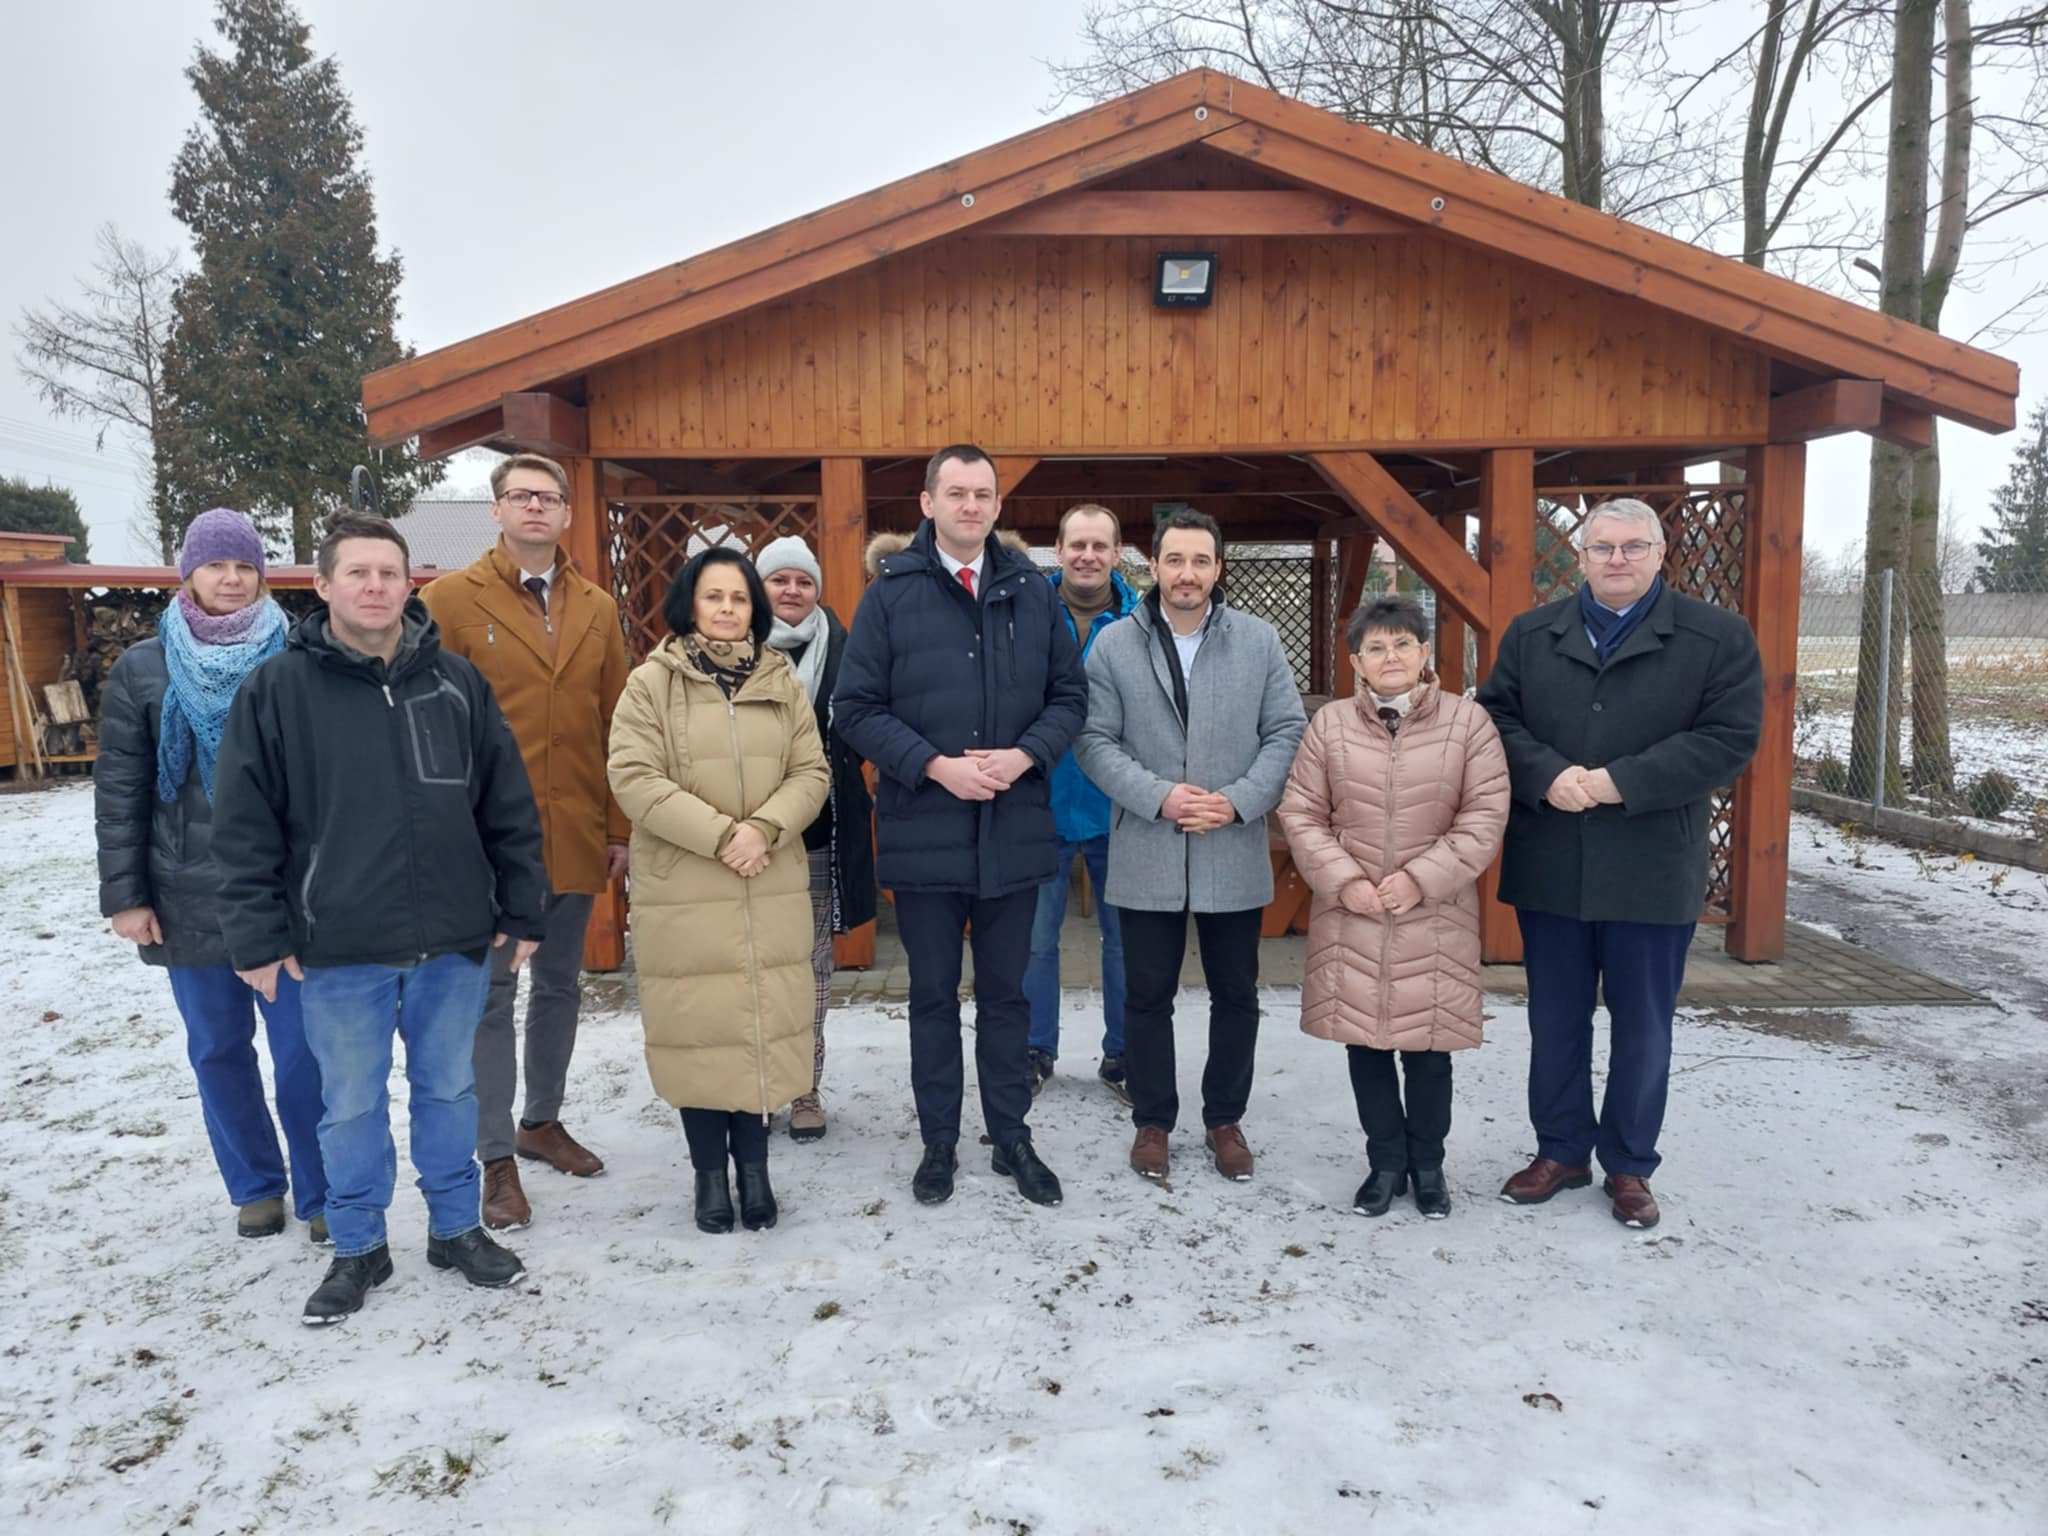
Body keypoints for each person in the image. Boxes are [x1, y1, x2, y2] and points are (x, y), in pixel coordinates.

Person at [212, 513, 548, 1324]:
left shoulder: (456, 683)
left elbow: (507, 803)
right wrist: (256, 936)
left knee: (450, 1092)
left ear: (409, 584)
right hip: (338, 946)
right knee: (352, 1105)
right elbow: (243, 825)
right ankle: (359, 1244)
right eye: (357, 573)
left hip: (453, 940)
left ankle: (456, 1229)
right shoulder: (276, 691)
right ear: (322, 585)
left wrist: (523, 904)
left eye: (388, 573)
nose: (374, 587)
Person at [1476, 498, 1762, 1230]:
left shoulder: (1717, 637)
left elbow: (1728, 737)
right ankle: (1561, 1151)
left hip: (1652, 865)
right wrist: (1548, 774)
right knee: (1556, 1020)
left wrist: (1619, 782)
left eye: (1633, 547)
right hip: (1553, 861)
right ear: (1580, 557)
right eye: (1602, 547)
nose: (1617, 560)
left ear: (1660, 554)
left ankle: (1630, 1164)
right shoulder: (1532, 634)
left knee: (1643, 1027)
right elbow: (1495, 719)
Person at [832, 444, 1086, 1209]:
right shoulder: (890, 595)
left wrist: (1024, 755)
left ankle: (1011, 1136)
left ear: (998, 505)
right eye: (956, 493)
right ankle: (938, 1142)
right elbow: (854, 709)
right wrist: (934, 766)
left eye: (982, 494)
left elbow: (1069, 697)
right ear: (927, 502)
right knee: (934, 998)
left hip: (1014, 831)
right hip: (926, 832)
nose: (970, 505)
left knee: (1007, 997)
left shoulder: (1032, 593)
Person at [94, 508, 329, 1244]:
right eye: (216, 565)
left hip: (284, 893)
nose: (231, 579)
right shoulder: (143, 668)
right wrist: (126, 896)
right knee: (217, 1049)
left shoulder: (298, 655)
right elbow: (121, 791)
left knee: (305, 1053)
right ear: (187, 573)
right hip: (184, 893)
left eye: (245, 566)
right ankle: (256, 1186)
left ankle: (323, 1190)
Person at [422, 452, 631, 1230]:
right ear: (497, 510)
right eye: (520, 496)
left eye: (548, 497)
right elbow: (429, 725)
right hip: (485, 841)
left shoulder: (598, 608)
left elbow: (617, 722)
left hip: (574, 830)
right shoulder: (449, 601)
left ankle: (541, 1121)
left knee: (559, 985)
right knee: (491, 996)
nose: (535, 508)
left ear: (567, 513)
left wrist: (618, 826)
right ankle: (495, 1156)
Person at [1073, 507, 1305, 1184]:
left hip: (1231, 843)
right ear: (1152, 565)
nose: (1187, 573)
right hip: (1147, 842)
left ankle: (1224, 1118)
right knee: (1147, 994)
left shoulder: (1258, 642)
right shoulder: (1115, 645)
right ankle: (1153, 1119)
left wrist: (1237, 800)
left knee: (1236, 992)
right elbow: (1092, 739)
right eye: (1175, 559)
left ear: (1218, 569)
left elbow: (1286, 730)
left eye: (1201, 560)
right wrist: (1158, 796)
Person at [607, 546, 829, 1234]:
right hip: (687, 887)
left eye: (738, 597)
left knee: (759, 1024)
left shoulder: (779, 679)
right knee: (701, 1033)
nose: (728, 609)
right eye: (714, 596)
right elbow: (634, 777)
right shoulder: (651, 683)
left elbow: (812, 772)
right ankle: (709, 1174)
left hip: (767, 880)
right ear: (689, 604)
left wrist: (763, 830)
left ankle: (755, 1170)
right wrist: (721, 835)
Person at [1277, 595, 1509, 1220]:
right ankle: (1384, 1163)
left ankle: (1428, 1167)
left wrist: (1419, 880)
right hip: (1353, 912)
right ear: (1356, 661)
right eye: (1375, 647)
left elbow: (1484, 816)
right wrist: (1343, 880)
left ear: (1424, 652)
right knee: (1366, 1046)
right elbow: (1301, 811)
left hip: (1433, 914)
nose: (1391, 657)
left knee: (1429, 1052)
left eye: (1403, 644)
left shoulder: (1468, 724)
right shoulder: (1330, 726)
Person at [753, 535, 877, 1142]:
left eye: (804, 581)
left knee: (811, 968)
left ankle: (805, 1085)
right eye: (780, 580)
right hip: (748, 839)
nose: (792, 591)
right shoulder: (736, 648)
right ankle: (753, 1089)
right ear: (760, 587)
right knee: (752, 967)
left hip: (820, 832)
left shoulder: (845, 649)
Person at [1025, 504, 1139, 1103]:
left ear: (1117, 553)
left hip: (1119, 805)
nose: (1088, 556)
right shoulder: (1026, 611)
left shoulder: (1143, 621)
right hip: (1038, 800)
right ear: (1059, 549)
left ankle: (1124, 1054)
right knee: (1033, 940)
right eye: (1078, 545)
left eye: (1100, 546)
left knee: (1125, 942)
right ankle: (1033, 1049)